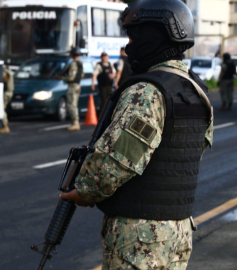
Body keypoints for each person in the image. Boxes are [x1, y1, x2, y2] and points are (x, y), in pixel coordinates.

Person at [60, 0, 213, 269]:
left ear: (154, 36)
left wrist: (83, 191)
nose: (129, 45)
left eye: (134, 36)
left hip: (139, 238)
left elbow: (114, 164)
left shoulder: (146, 92)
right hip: (178, 232)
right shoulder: (196, 91)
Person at [57, 47, 84, 131]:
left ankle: (75, 123)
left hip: (72, 86)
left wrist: (62, 78)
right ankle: (74, 122)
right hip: (78, 85)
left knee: (71, 104)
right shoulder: (80, 63)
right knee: (74, 103)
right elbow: (82, 75)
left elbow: (71, 77)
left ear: (72, 54)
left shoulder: (73, 63)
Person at [0, 65, 14, 133]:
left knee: (1, 109)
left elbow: (3, 79)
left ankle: (5, 126)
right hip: (8, 92)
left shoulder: (4, 73)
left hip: (5, 93)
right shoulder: (9, 72)